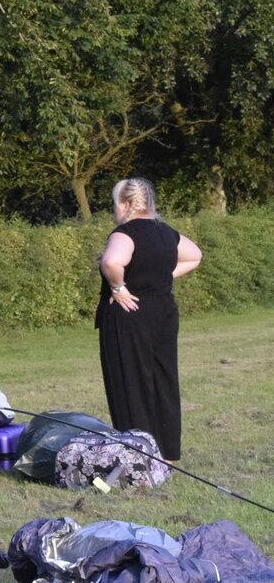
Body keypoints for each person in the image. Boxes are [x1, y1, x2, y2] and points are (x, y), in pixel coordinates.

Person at [98, 177, 202, 460]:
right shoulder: (166, 232)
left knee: (130, 381)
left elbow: (111, 262)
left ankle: (138, 452)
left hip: (129, 315)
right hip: (164, 313)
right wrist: (160, 277)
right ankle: (166, 453)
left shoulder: (124, 233)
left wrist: (118, 288)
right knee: (163, 379)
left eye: (115, 204)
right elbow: (194, 256)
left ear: (126, 204)